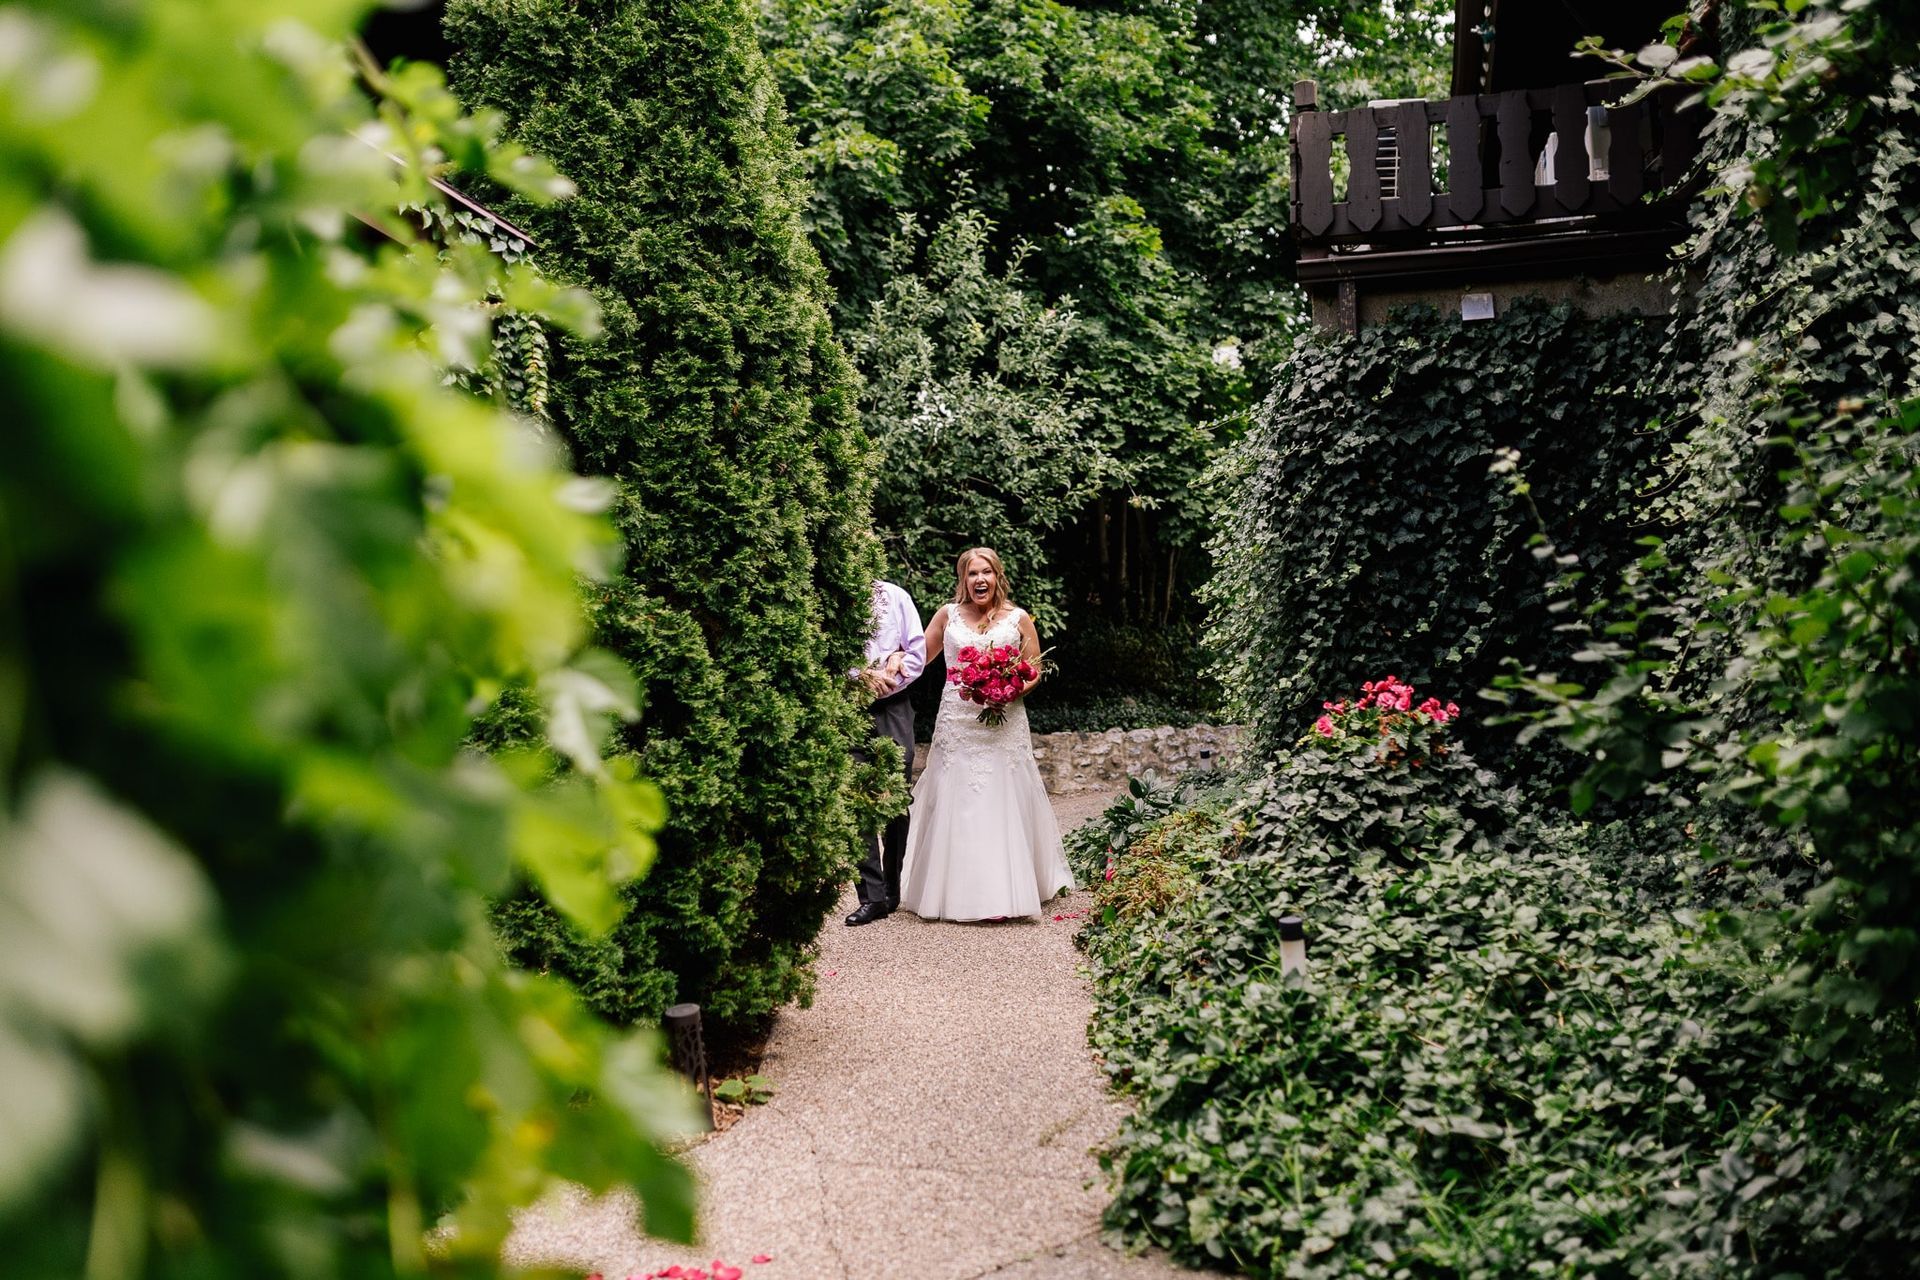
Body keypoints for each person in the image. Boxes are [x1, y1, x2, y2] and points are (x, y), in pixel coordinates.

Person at [897, 547, 1074, 921]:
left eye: (987, 573)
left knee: (1003, 795)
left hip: (1003, 724)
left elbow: (1034, 669)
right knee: (956, 800)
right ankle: (954, 894)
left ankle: (1009, 892)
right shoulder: (947, 615)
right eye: (972, 573)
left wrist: (1009, 692)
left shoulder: (1019, 619)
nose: (980, 580)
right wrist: (893, 659)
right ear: (963, 579)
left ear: (998, 577)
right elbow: (920, 658)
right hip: (958, 723)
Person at [846, 579, 926, 926]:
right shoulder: (834, 598)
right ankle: (871, 897)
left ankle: (892, 887)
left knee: (895, 799)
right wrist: (859, 677)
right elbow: (825, 653)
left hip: (894, 706)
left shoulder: (895, 596)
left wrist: (891, 677)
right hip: (848, 708)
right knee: (855, 799)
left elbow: (917, 652)